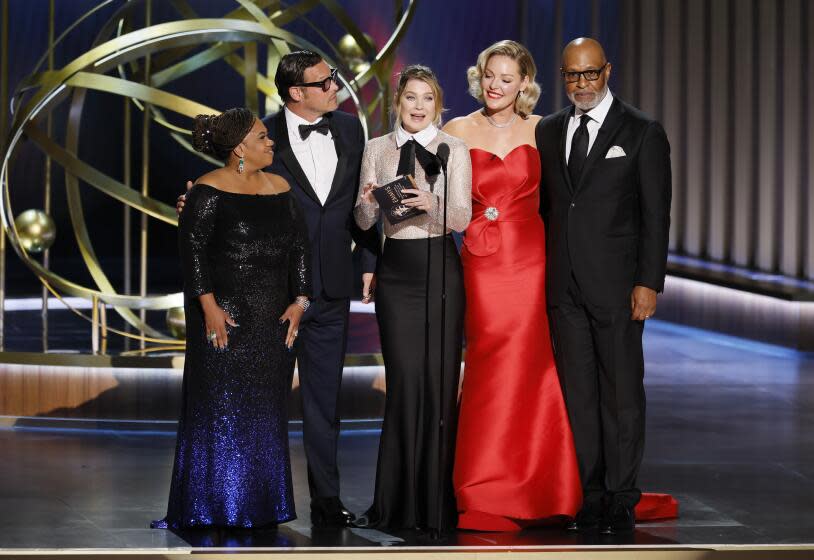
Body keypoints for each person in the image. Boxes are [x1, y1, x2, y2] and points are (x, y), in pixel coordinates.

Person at [177, 51, 380, 528]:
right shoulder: (258, 138)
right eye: (325, 81)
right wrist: (192, 201)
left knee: (325, 404)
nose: (336, 86)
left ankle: (328, 504)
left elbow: (361, 205)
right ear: (296, 93)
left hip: (329, 290)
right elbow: (221, 195)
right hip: (266, 296)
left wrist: (370, 261)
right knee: (258, 401)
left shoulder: (351, 131)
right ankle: (246, 500)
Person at [443, 40, 582, 532]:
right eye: (488, 76)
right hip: (481, 263)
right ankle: (483, 484)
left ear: (525, 82)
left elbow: (565, 198)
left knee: (534, 364)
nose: (495, 85)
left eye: (506, 77)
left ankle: (544, 483)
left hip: (532, 259)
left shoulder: (545, 129)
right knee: (487, 361)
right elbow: (425, 187)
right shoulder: (456, 130)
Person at [536, 37, 673, 534]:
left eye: (590, 74)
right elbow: (552, 208)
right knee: (579, 394)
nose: (581, 84)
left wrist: (648, 282)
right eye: (572, 75)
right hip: (564, 288)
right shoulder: (549, 131)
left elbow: (656, 215)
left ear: (607, 72)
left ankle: (621, 495)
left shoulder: (641, 131)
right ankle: (590, 492)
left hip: (618, 287)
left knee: (620, 394)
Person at [153, 108, 311, 528]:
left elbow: (299, 249)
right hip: (225, 318)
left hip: (273, 320)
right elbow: (195, 255)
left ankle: (261, 505)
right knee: (219, 411)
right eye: (263, 137)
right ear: (240, 147)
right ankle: (213, 506)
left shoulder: (280, 188)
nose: (271, 142)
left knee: (265, 413)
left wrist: (300, 302)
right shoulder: (207, 190)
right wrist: (209, 309)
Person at [353, 65, 472, 532]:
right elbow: (364, 222)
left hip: (441, 268)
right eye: (410, 98)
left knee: (440, 386)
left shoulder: (452, 149)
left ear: (438, 105)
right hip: (397, 274)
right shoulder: (377, 149)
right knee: (404, 383)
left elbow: (461, 217)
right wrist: (367, 201)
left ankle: (435, 504)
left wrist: (432, 202)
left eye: (427, 99)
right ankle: (397, 502)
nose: (418, 107)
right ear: (397, 103)